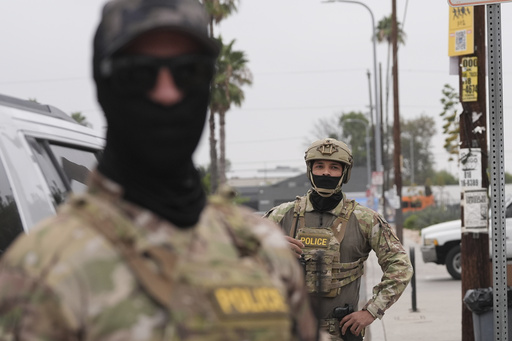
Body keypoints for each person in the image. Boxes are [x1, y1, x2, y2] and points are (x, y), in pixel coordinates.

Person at [0, 1, 322, 340]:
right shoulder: (40, 271)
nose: (167, 93)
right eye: (139, 72)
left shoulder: (261, 248)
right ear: (103, 85)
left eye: (190, 71)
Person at [264, 137, 413, 341]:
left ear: (345, 172)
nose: (326, 172)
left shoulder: (365, 220)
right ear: (310, 170)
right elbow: (236, 261)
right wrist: (269, 251)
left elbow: (401, 266)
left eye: (334, 167)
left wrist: (371, 311)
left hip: (341, 333)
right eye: (320, 166)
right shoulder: (281, 216)